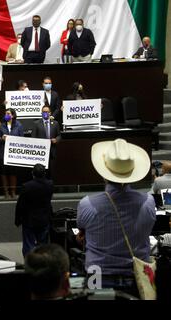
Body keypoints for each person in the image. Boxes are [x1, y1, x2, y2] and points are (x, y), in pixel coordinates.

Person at [76, 139, 156, 295]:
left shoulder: (87, 204)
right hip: (139, 277)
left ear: (104, 174)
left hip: (98, 275)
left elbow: (82, 230)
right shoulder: (148, 202)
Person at [15, 164, 53, 257]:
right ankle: (43, 263)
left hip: (29, 220)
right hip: (44, 219)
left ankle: (29, 264)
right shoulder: (50, 184)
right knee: (43, 244)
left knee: (28, 245)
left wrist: (17, 219)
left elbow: (20, 205)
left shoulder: (26, 186)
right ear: (44, 173)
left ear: (32, 173)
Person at [0, 108, 24, 199]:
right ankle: (6, 192)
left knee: (13, 172)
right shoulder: (1, 126)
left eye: (8, 113)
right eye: (6, 113)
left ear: (13, 115)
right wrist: (2, 138)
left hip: (14, 153)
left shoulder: (19, 125)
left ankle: (13, 192)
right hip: (3, 151)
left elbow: (22, 139)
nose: (7, 115)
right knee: (4, 172)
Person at [31, 105, 61, 176]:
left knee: (51, 173)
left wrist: (56, 139)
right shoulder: (36, 124)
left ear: (50, 113)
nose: (45, 113)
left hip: (52, 151)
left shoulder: (55, 123)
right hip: (40, 153)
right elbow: (33, 137)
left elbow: (59, 135)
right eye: (43, 112)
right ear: (41, 113)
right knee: (41, 172)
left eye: (47, 112)